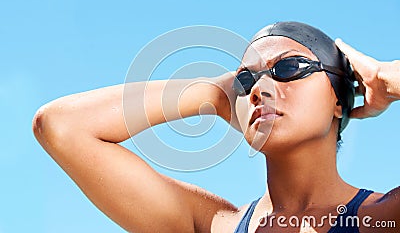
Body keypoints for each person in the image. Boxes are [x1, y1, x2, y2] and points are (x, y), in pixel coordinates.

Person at [32, 21, 400, 233]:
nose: (261, 88)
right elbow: (61, 125)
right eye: (247, 80)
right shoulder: (215, 226)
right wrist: (218, 93)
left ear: (338, 100)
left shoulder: (383, 217)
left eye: (288, 68)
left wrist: (385, 78)